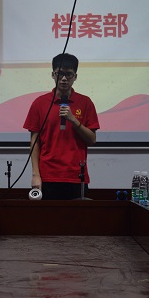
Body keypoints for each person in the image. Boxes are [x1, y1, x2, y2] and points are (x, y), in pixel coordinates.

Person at [23, 53, 99, 200]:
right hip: (48, 176)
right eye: (60, 74)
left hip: (76, 176)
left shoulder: (85, 102)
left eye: (69, 74)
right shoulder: (39, 103)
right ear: (53, 75)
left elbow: (92, 139)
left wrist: (73, 120)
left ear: (75, 77)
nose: (64, 79)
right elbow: (34, 142)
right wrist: (35, 175)